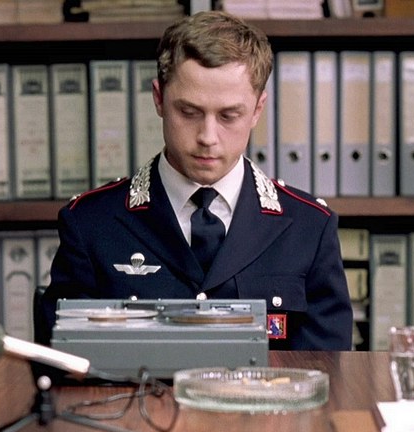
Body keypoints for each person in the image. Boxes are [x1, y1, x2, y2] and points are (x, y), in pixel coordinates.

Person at [38, 10, 352, 352]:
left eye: (229, 115)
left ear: (257, 109)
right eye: (188, 112)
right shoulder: (90, 223)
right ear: (159, 99)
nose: (207, 137)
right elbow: (67, 363)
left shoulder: (309, 227)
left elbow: (324, 369)